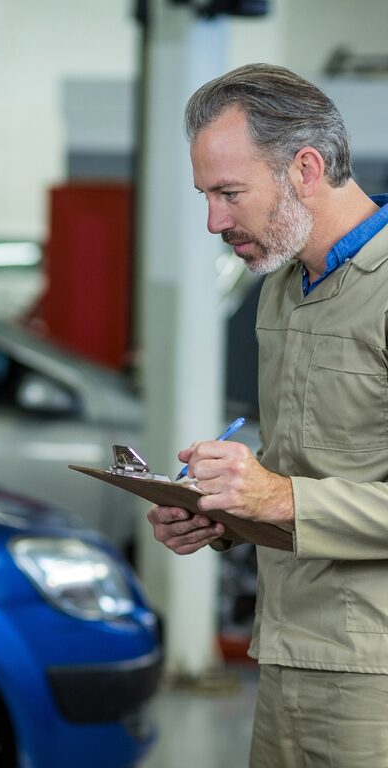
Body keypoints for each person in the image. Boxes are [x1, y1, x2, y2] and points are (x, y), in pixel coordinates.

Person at [147, 62, 388, 768]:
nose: (215, 221)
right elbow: (311, 476)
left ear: (305, 168)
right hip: (285, 652)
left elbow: (295, 495)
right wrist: (218, 513)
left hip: (373, 672)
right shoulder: (281, 289)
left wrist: (278, 496)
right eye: (205, 196)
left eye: (229, 193)